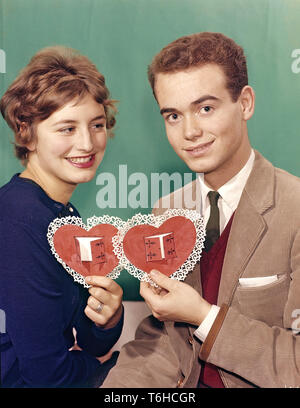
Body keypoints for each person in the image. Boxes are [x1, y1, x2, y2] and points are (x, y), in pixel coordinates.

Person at [102, 32, 300, 388]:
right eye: (173, 116)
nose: (190, 131)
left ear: (245, 103)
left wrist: (203, 316)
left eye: (205, 108)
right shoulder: (168, 209)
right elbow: (166, 340)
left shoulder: (295, 207)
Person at [0, 46, 124, 388]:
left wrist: (108, 319)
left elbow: (92, 338)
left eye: (96, 125)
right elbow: (47, 378)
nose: (87, 143)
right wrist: (99, 363)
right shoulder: (19, 219)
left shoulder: (63, 214)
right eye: (67, 128)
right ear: (27, 132)